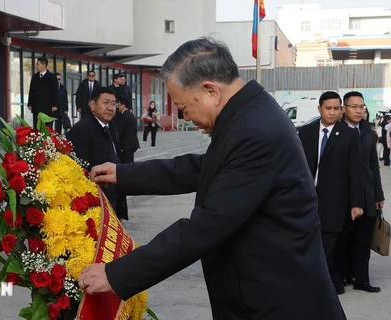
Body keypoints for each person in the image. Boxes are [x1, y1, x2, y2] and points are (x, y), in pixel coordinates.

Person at [78, 38, 346, 319]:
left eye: (183, 106)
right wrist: (123, 173)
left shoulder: (254, 131)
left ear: (210, 91)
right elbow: (202, 167)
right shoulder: (248, 114)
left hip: (277, 300)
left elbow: (207, 225)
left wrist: (117, 273)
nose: (184, 115)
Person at [298, 91, 364, 295]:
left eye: (337, 108)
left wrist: (356, 203)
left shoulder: (349, 134)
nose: (333, 113)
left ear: (341, 109)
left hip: (335, 199)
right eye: (328, 108)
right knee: (310, 239)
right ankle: (330, 280)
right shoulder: (305, 132)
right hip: (308, 196)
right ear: (319, 109)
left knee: (329, 241)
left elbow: (356, 170)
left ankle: (325, 283)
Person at [338, 91, 383, 293]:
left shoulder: (367, 132)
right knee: (341, 239)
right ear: (344, 108)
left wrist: (378, 194)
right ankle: (341, 276)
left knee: (363, 240)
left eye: (361, 106)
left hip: (366, 194)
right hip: (342, 195)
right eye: (354, 106)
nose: (358, 110)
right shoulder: (336, 131)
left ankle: (362, 280)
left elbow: (374, 165)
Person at [66, 87, 128, 220]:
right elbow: (79, 171)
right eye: (105, 102)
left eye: (113, 103)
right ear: (92, 105)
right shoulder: (81, 130)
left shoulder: (110, 126)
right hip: (96, 201)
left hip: (113, 195)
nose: (111, 108)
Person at [27, 57, 58, 128]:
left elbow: (55, 92)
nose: (36, 66)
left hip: (47, 107)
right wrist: (30, 103)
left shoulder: (51, 77)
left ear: (44, 65)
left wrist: (54, 105)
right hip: (36, 106)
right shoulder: (35, 77)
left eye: (38, 65)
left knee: (46, 127)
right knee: (36, 126)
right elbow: (31, 91)